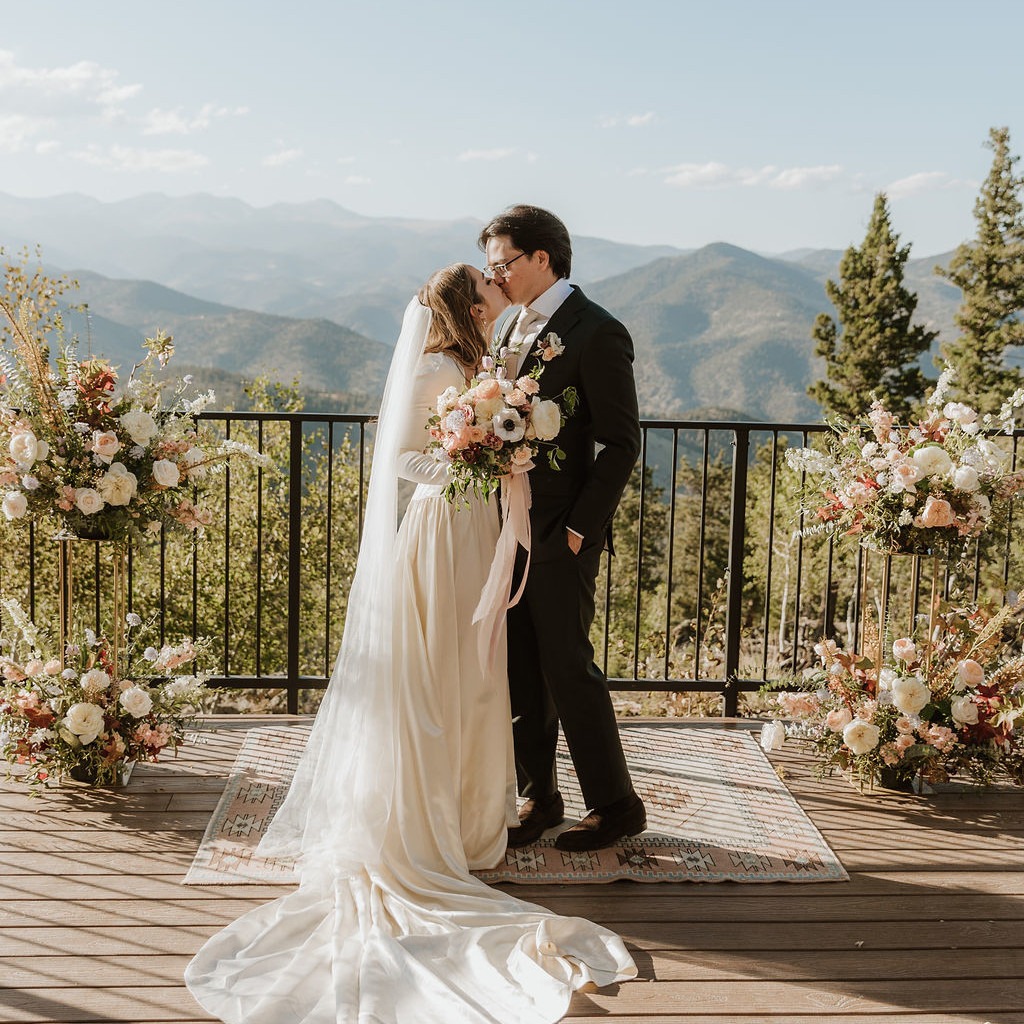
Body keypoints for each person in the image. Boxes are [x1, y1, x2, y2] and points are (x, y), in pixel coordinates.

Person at [184, 263, 636, 1024]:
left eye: (503, 277)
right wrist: (476, 460)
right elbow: (403, 460)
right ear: (469, 304)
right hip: (443, 530)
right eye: (488, 288)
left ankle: (475, 811)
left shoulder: (480, 365)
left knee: (479, 670)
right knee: (437, 671)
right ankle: (434, 818)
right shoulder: (434, 365)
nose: (499, 291)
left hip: (485, 531)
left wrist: (500, 455)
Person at [478, 206, 647, 852]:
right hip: (506, 526)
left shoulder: (597, 331)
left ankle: (616, 804)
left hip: (560, 532)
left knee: (569, 668)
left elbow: (622, 443)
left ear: (542, 259)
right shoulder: (507, 330)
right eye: (492, 266)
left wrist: (580, 529)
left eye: (504, 263)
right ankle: (539, 795)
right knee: (520, 665)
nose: (497, 276)